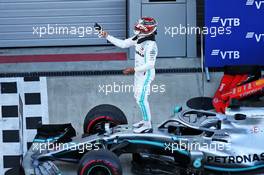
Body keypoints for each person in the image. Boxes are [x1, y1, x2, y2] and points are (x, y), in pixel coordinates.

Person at [98, 17, 158, 133]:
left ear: (146, 30)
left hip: (146, 74)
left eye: (140, 29)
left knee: (141, 99)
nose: (138, 31)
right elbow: (123, 44)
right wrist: (107, 36)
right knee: (137, 97)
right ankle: (144, 120)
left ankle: (147, 125)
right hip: (138, 73)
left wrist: (133, 70)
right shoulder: (139, 38)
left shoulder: (151, 45)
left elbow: (150, 64)